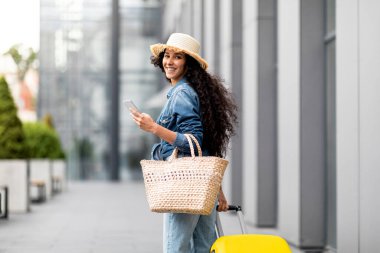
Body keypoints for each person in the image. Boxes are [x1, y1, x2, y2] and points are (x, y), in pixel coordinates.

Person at [130, 33, 238, 253]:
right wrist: (217, 190)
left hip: (183, 183)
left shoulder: (181, 94)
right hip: (202, 186)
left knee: (176, 247)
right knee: (204, 246)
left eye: (177, 57)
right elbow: (205, 149)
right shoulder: (197, 92)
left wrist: (154, 128)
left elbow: (192, 143)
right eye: (167, 55)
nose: (169, 62)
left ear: (189, 64)